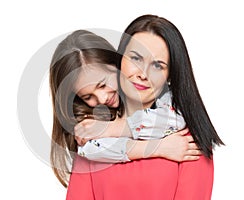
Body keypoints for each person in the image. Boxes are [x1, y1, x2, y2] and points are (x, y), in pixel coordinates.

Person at [65, 15, 224, 200]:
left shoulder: (187, 142)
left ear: (169, 75)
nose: (143, 73)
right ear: (119, 61)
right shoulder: (93, 135)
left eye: (158, 65)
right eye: (135, 58)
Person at [49, 28, 201, 192]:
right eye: (87, 97)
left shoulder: (167, 99)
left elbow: (174, 120)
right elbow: (90, 150)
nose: (101, 99)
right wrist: (159, 147)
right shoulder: (92, 120)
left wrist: (112, 129)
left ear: (118, 64)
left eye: (102, 84)